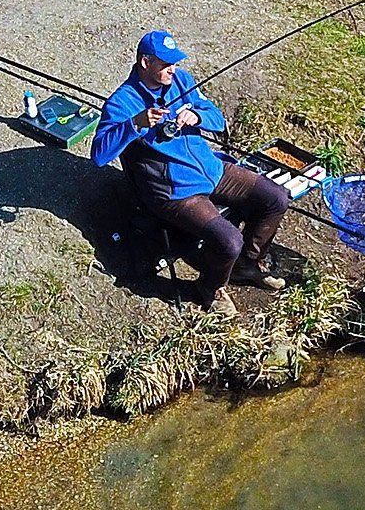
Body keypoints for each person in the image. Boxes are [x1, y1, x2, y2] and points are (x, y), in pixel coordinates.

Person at [92, 30, 287, 314]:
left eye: (175, 62)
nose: (173, 69)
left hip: (211, 168)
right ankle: (210, 288)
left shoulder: (181, 81)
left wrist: (197, 116)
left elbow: (217, 118)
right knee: (229, 240)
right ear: (146, 62)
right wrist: (135, 123)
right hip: (175, 191)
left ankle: (248, 265)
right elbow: (99, 154)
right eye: (166, 64)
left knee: (276, 198)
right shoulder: (123, 102)